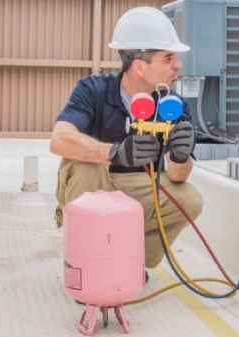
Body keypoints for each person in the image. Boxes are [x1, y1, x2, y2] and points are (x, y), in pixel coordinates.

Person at [50, 6, 203, 269]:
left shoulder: (173, 105)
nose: (178, 65)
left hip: (139, 186)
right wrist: (115, 153)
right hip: (95, 182)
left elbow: (177, 176)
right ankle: (86, 266)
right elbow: (60, 139)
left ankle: (130, 265)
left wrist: (180, 156)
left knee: (189, 198)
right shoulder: (92, 90)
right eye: (168, 58)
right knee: (88, 168)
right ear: (140, 66)